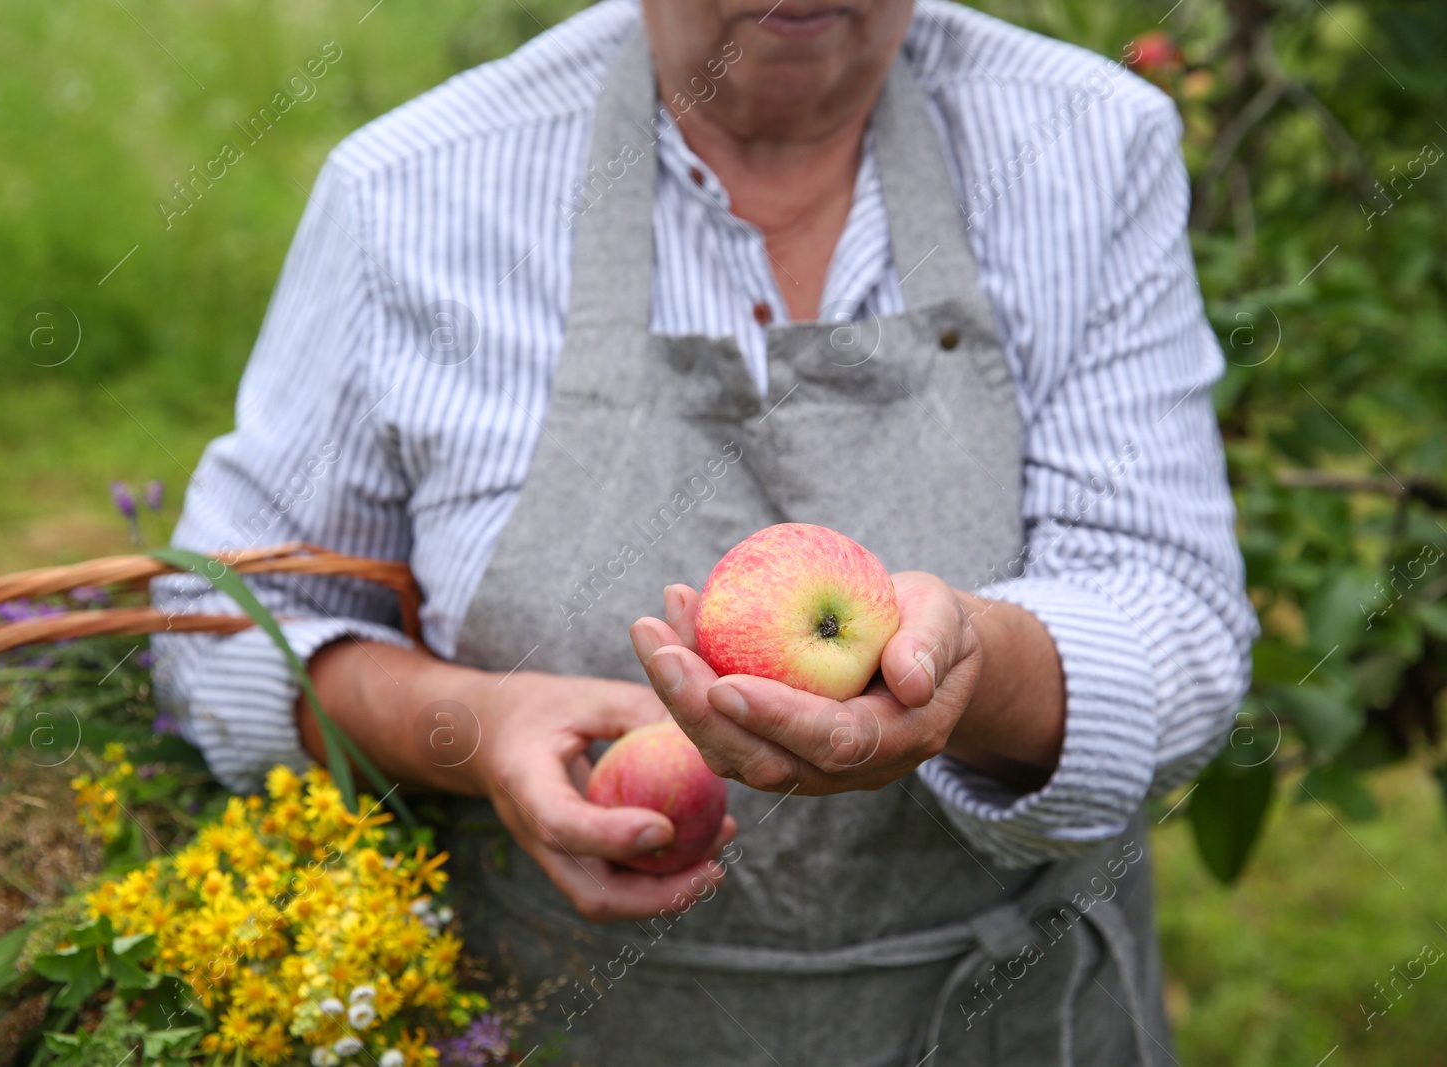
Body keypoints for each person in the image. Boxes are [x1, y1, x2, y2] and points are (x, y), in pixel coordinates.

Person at [152, 1, 1256, 1063]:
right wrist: (473, 724)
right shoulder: (418, 190)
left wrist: (976, 666)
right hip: (558, 1022)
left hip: (1002, 1018)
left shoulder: (1086, 144)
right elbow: (218, 631)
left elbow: (1178, 628)